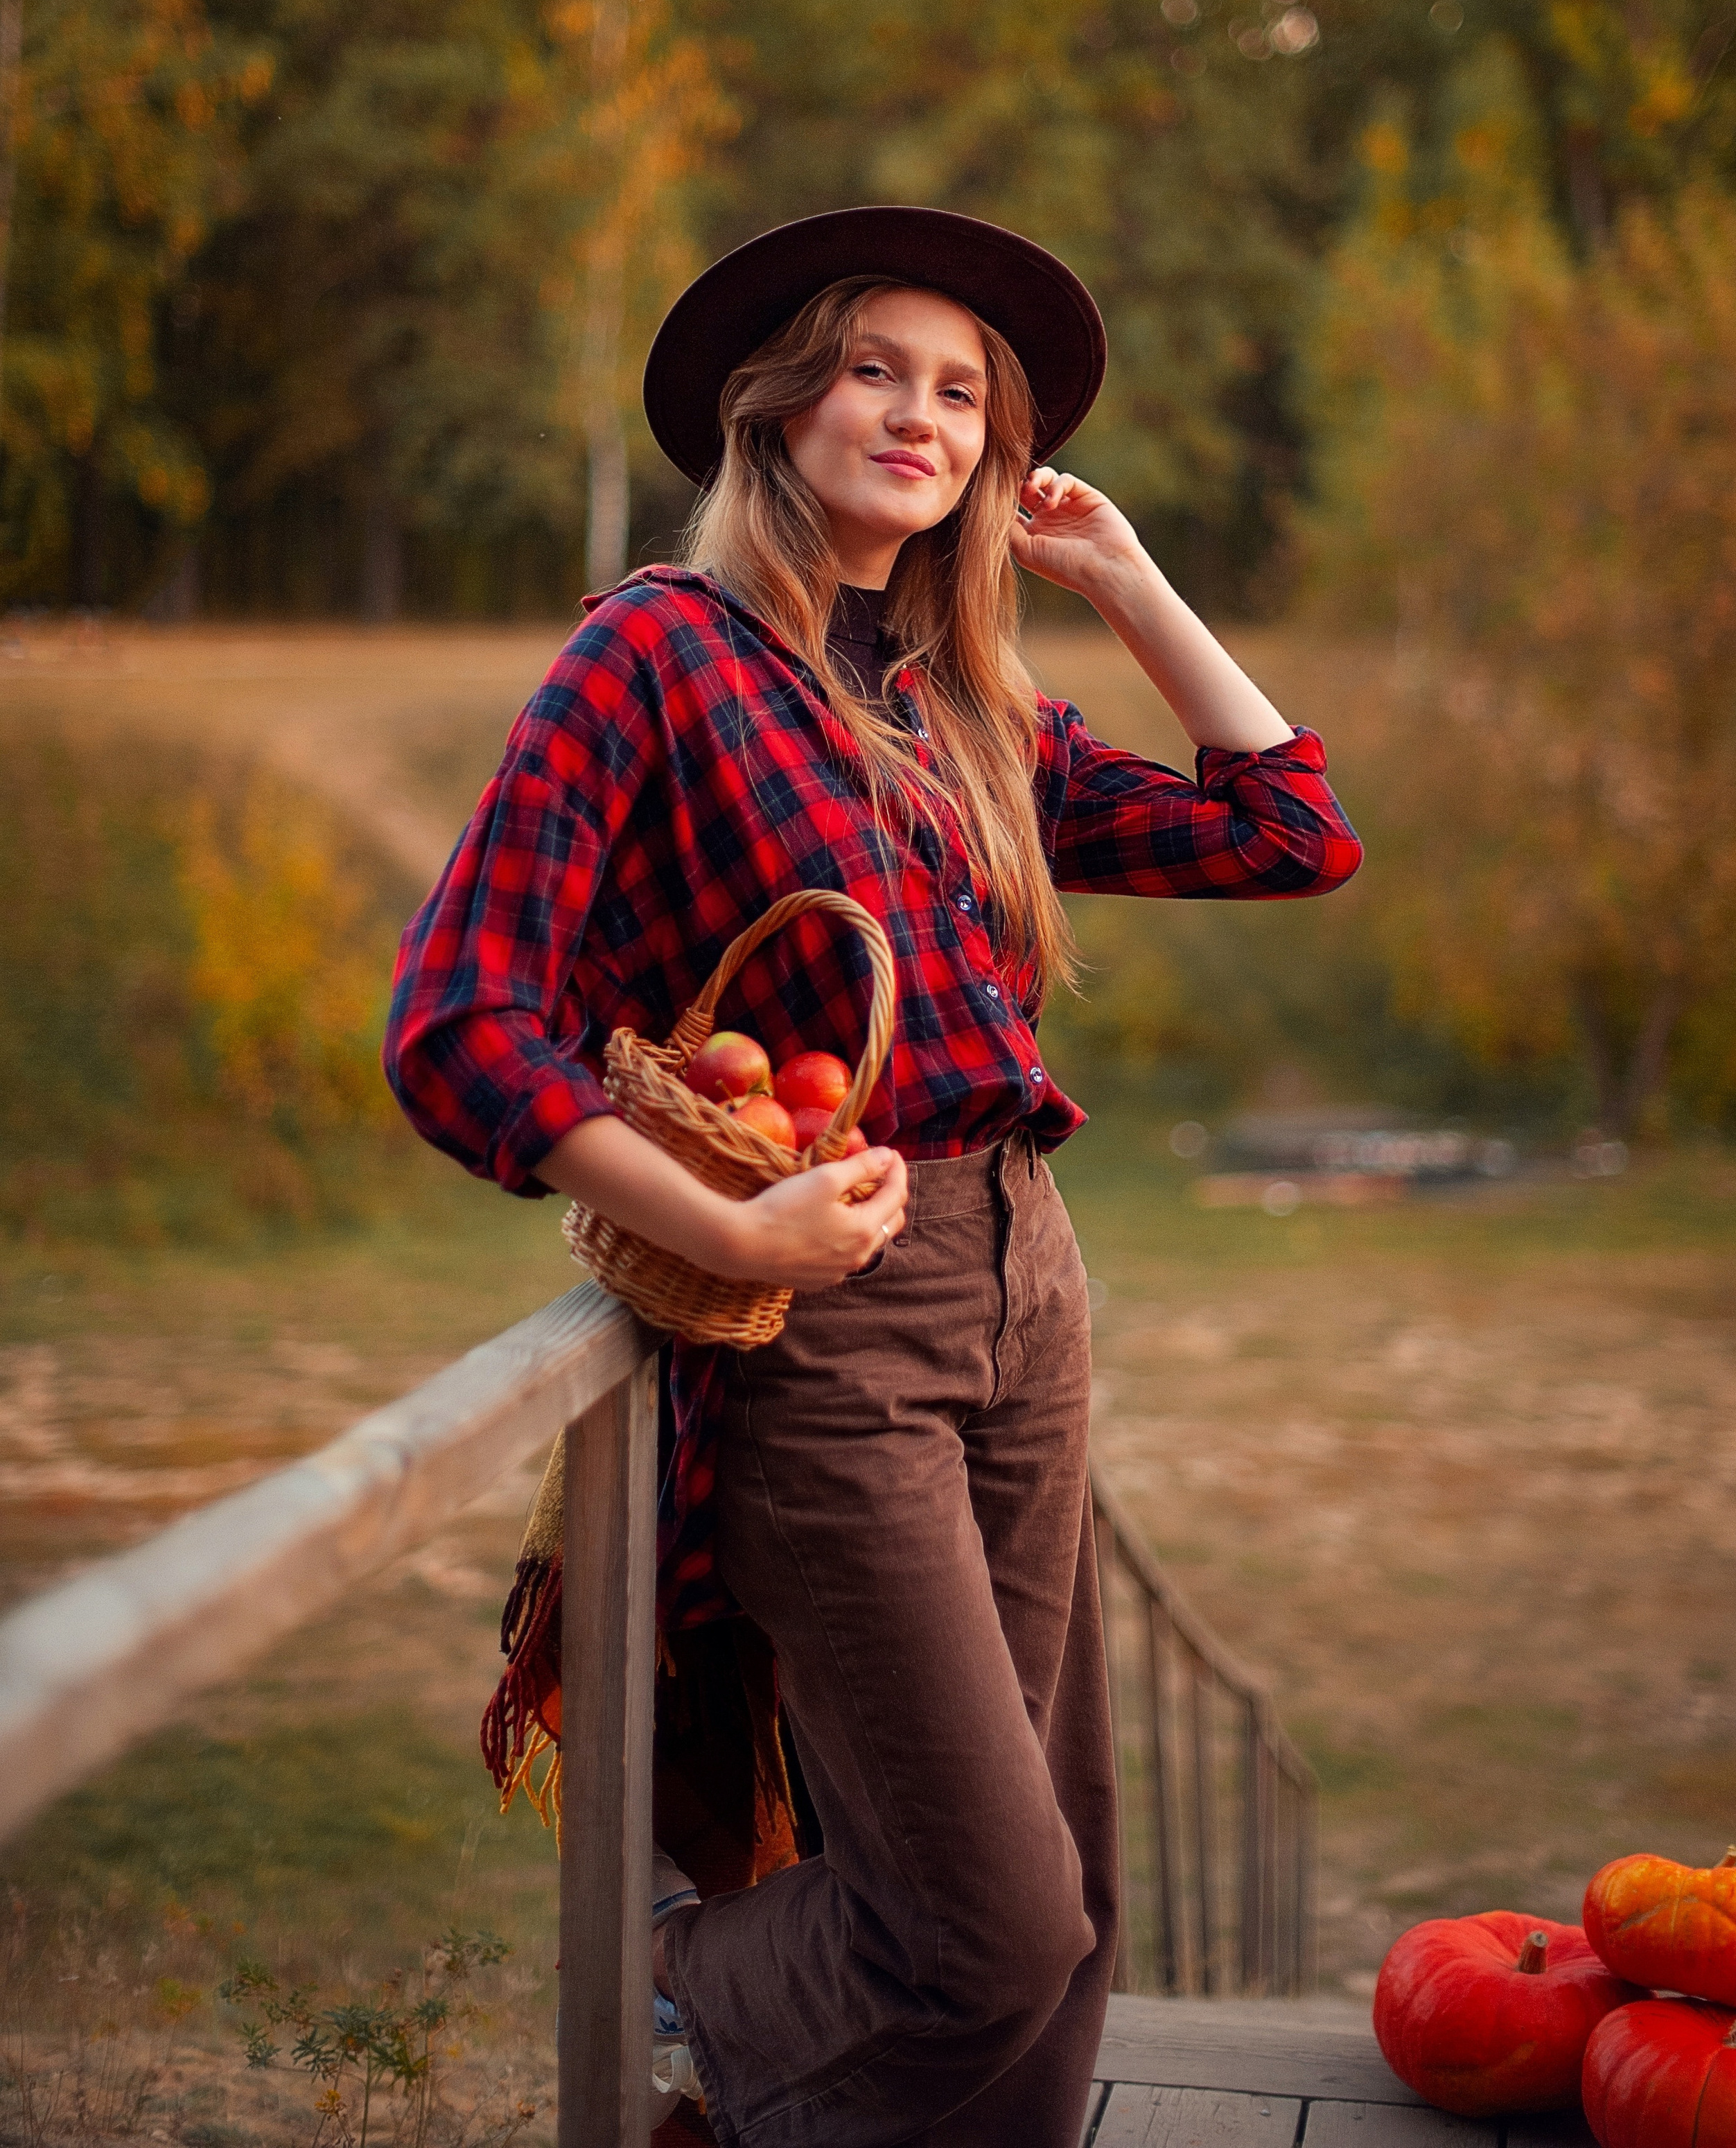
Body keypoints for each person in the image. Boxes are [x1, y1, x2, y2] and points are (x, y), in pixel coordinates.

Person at [384, 207, 1362, 2148]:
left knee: (1063, 1922)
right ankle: (670, 1967)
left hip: (1029, 1277)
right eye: (873, 366)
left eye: (962, 392)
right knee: (986, 1926)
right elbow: (456, 1019)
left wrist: (1125, 570)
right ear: (776, 401)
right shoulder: (655, 653)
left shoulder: (961, 701)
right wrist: (731, 1225)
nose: (917, 413)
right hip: (827, 1325)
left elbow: (1289, 831)